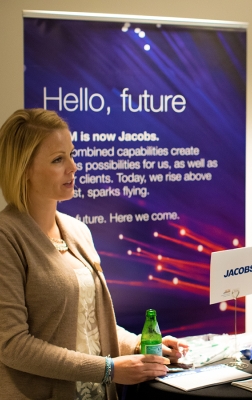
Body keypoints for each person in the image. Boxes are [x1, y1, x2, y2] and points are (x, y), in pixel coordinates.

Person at [0, 108, 189, 399]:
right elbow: (12, 345)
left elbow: (88, 323)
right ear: (24, 170)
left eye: (71, 154)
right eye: (58, 159)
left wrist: (140, 345)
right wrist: (108, 369)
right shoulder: (6, 237)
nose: (73, 167)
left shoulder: (78, 231)